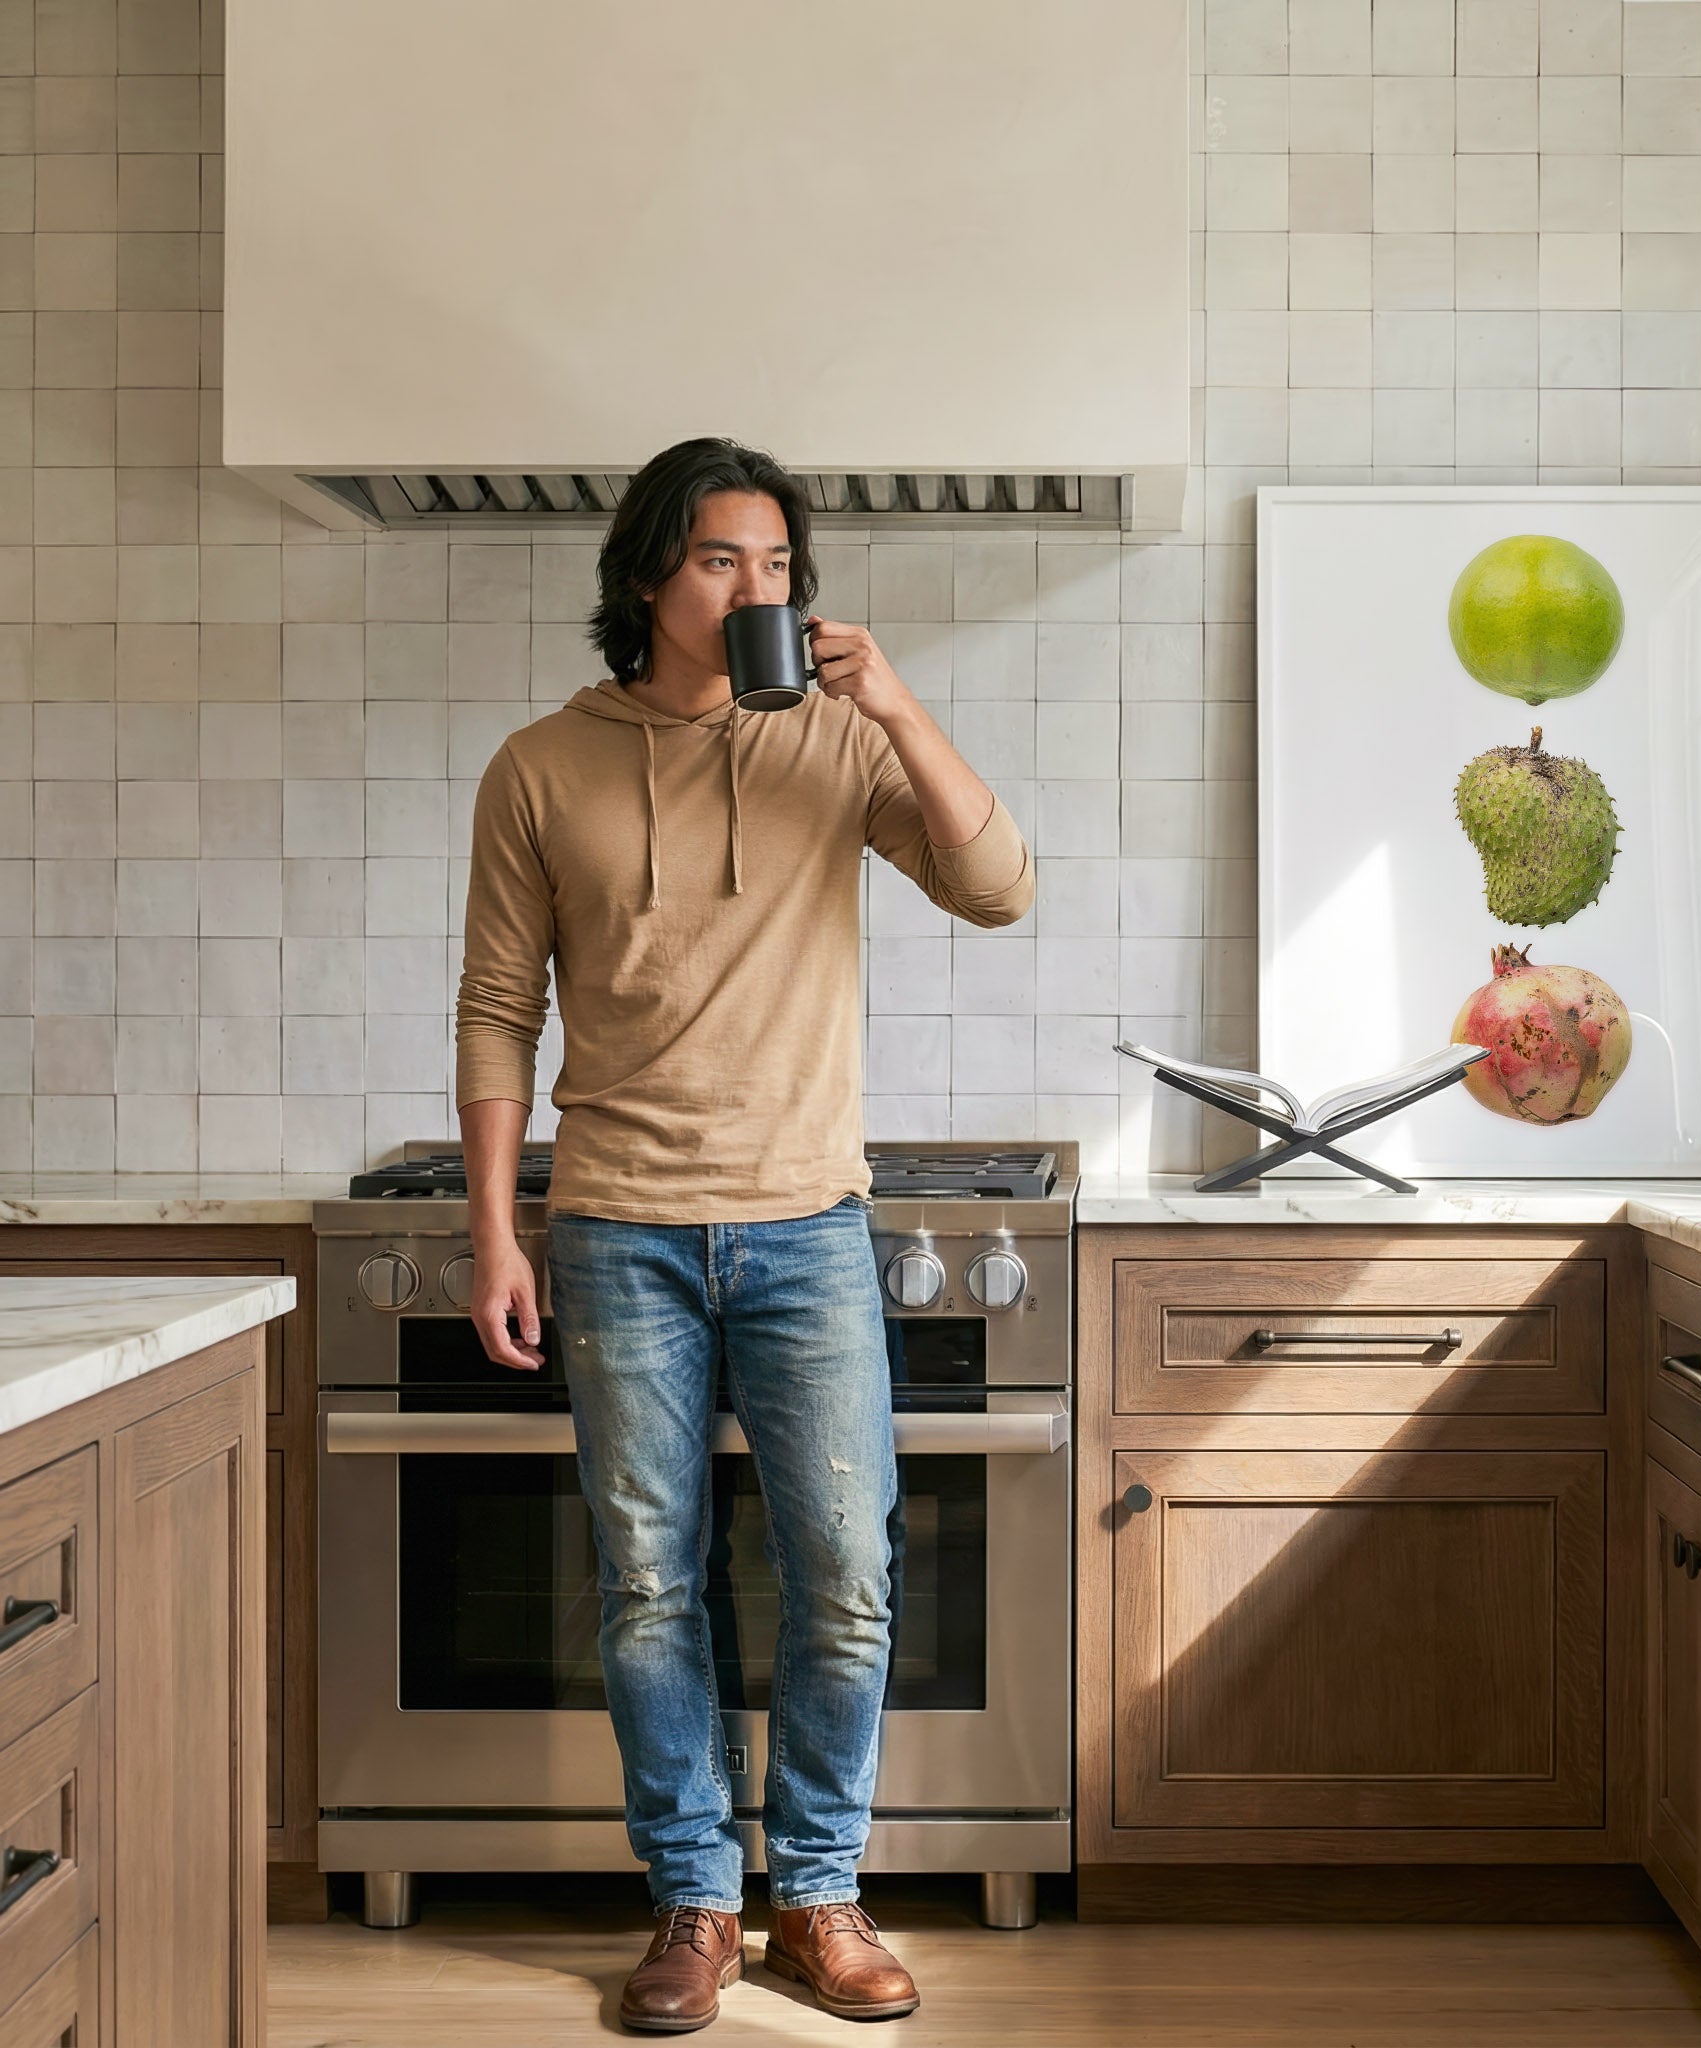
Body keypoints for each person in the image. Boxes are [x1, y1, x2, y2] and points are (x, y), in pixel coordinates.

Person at [454, 436, 1035, 2032]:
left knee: (847, 1575)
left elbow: (999, 888)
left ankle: (820, 1897)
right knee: (653, 1586)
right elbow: (501, 1012)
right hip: (618, 1227)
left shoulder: (838, 752)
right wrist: (499, 1233)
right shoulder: (537, 767)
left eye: (781, 566)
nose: (759, 589)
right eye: (725, 560)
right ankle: (696, 1906)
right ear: (649, 574)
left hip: (807, 1225)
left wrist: (897, 707)